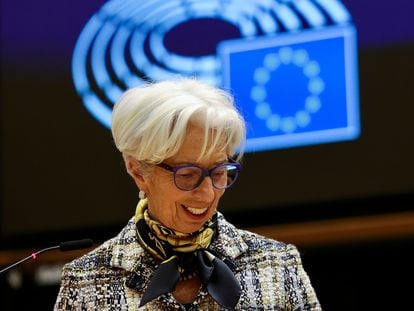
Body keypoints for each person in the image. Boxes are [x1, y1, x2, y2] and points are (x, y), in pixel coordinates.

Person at [54, 78, 321, 310]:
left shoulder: (276, 265)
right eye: (187, 175)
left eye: (218, 172)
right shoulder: (87, 281)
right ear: (137, 171)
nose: (207, 195)